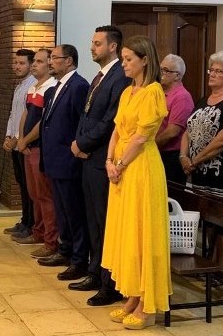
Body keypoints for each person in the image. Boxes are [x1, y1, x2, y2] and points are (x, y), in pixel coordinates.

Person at [104, 35, 171, 330]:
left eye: (129, 59)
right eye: (123, 59)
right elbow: (117, 130)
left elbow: (142, 137)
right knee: (126, 232)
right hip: (121, 168)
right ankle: (131, 295)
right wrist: (109, 161)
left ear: (145, 60)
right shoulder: (127, 92)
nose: (124, 64)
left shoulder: (153, 91)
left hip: (141, 167)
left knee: (143, 232)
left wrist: (119, 163)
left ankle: (147, 303)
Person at [70, 26, 129, 306]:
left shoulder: (120, 76)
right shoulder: (101, 75)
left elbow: (110, 120)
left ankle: (110, 283)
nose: (92, 48)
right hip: (90, 157)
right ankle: (95, 271)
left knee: (104, 221)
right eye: (92, 42)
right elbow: (88, 113)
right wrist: (79, 141)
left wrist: (85, 144)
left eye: (97, 43)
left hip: (102, 157)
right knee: (92, 218)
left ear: (113, 46)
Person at [37, 44, 90, 281]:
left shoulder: (78, 86)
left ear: (69, 61)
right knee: (62, 211)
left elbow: (82, 122)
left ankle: (79, 259)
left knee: (74, 212)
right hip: (54, 159)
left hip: (68, 160)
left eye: (55, 58)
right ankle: (65, 249)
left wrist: (77, 149)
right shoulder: (57, 86)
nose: (50, 62)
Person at [181, 51, 223, 200]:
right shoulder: (203, 100)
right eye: (211, 70)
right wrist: (183, 156)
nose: (212, 74)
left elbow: (222, 141)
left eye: (218, 71)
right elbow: (188, 130)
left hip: (222, 174)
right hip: (197, 172)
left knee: (217, 219)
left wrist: (194, 161)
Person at [14, 49, 58, 257]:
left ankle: (51, 239)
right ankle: (37, 231)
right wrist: (21, 139)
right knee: (34, 194)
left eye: (39, 62)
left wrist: (26, 139)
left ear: (49, 64)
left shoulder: (51, 87)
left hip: (40, 147)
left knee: (44, 195)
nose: (34, 65)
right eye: (35, 62)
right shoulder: (33, 86)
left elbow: (43, 121)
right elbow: (25, 114)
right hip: (28, 147)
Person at [2, 49, 37, 239]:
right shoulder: (20, 86)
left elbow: (28, 116)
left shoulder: (32, 86)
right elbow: (13, 115)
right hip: (15, 142)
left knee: (29, 187)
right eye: (15, 63)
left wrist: (17, 137)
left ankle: (31, 224)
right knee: (21, 184)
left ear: (31, 65)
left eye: (21, 63)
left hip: (23, 143)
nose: (17, 66)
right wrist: (8, 136)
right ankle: (25, 220)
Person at [156, 54, 194, 185]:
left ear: (177, 76)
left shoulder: (182, 97)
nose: (161, 73)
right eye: (160, 69)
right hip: (158, 153)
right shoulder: (158, 92)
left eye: (166, 70)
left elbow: (172, 131)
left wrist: (151, 146)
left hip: (170, 156)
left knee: (170, 199)